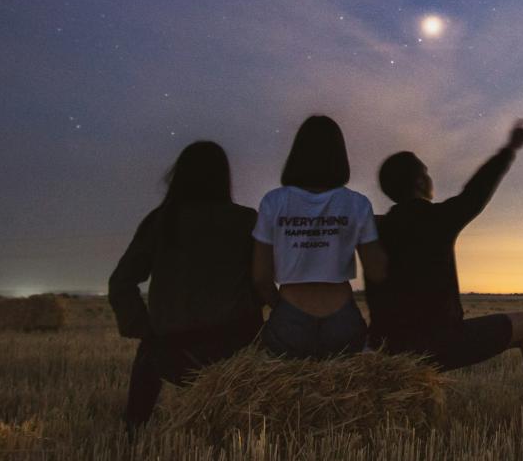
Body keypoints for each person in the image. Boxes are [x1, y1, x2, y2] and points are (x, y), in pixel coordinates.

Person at [366, 120, 523, 424]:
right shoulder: (438, 219)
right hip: (437, 344)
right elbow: (477, 191)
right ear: (421, 183)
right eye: (427, 172)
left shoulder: (373, 226)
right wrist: (509, 149)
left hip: (386, 345)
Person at [109, 141, 263, 428]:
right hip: (235, 350)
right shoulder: (245, 220)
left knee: (147, 358)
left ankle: (134, 426)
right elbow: (262, 280)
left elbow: (121, 282)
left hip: (171, 350)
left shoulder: (161, 221)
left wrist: (145, 329)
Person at [252, 114, 386, 359]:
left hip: (290, 316)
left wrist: (281, 307)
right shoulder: (357, 204)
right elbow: (376, 272)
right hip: (342, 317)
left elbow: (260, 276)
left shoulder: (273, 202)